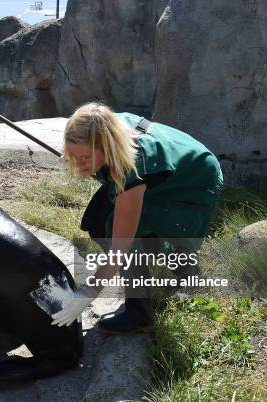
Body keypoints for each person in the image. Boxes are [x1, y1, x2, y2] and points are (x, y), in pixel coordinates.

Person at [51, 102, 224, 334]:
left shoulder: (131, 167)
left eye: (86, 157)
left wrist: (87, 294)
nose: (79, 163)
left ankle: (140, 313)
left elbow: (121, 245)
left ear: (107, 147)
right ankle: (188, 275)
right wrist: (84, 158)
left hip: (194, 180)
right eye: (73, 155)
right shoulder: (101, 124)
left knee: (121, 232)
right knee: (98, 219)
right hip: (168, 167)